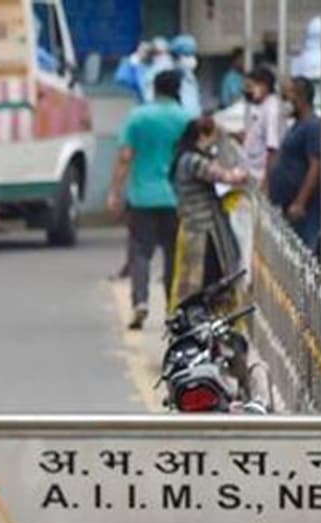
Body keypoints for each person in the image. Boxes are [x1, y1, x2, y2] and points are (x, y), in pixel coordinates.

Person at [107, 70, 193, 331]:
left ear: (154, 89)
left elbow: (125, 156)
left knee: (140, 253)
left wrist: (115, 191)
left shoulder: (138, 117)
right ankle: (172, 308)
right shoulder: (186, 119)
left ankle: (140, 302)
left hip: (142, 197)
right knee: (173, 254)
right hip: (176, 198)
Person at [171, 115, 249, 306]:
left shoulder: (183, 157)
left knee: (194, 275)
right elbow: (226, 177)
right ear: (202, 136)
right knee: (204, 276)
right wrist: (243, 173)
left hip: (193, 224)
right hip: (203, 228)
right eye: (212, 137)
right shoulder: (194, 161)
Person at [268, 77, 321, 254]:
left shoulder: (313, 126)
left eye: (288, 97)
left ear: (300, 98)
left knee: (304, 253)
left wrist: (300, 202)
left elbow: (316, 166)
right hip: (287, 202)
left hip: (304, 208)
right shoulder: (296, 126)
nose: (285, 102)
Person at [242, 67, 280, 187]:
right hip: (253, 172)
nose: (247, 91)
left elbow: (273, 149)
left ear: (264, 86)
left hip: (261, 176)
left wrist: (266, 181)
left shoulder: (271, 110)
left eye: (250, 87)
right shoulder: (262, 107)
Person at [171, 35, 202, 117]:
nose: (191, 59)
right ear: (176, 58)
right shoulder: (170, 78)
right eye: (187, 55)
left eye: (193, 55)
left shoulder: (190, 76)